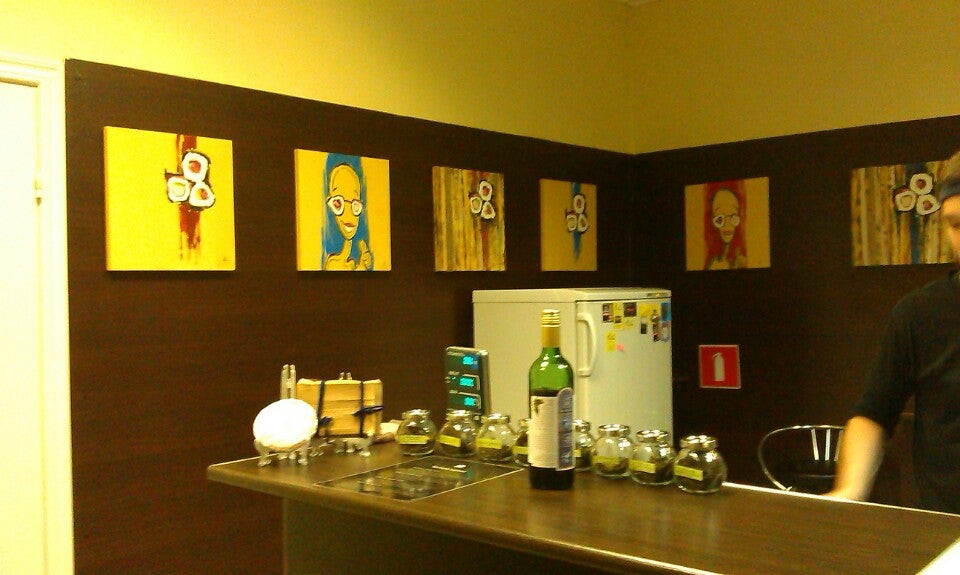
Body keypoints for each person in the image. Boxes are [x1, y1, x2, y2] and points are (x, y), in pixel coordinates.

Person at [827, 149, 960, 513]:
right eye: (955, 225)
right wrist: (849, 491)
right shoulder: (918, 314)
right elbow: (873, 414)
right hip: (945, 529)